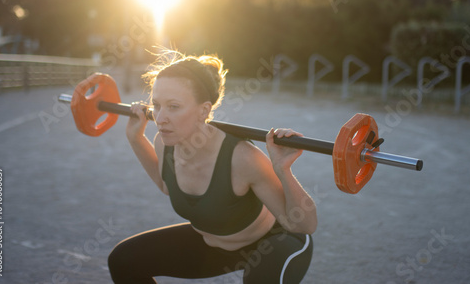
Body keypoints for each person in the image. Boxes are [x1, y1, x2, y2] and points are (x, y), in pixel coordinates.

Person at [108, 50, 318, 284]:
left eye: (174, 106)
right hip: (214, 246)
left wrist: (282, 169)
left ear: (204, 110)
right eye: (156, 105)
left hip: (273, 242)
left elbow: (303, 225)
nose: (160, 117)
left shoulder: (243, 158)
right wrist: (136, 138)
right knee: (123, 260)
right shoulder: (164, 143)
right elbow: (166, 184)